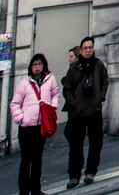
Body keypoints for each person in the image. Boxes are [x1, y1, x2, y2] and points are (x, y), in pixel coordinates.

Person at [62, 37, 109, 188]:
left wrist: (100, 96)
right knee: (76, 145)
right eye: (85, 48)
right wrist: (74, 104)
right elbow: (67, 89)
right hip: (79, 112)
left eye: (90, 48)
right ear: (80, 50)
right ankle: (74, 175)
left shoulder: (98, 65)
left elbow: (105, 80)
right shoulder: (74, 68)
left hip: (94, 110)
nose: (88, 50)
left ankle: (91, 171)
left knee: (96, 142)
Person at [10, 52, 60, 195]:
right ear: (30, 67)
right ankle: (24, 191)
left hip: (41, 126)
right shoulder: (25, 83)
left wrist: (52, 106)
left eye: (39, 64)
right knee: (26, 160)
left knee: (38, 159)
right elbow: (15, 103)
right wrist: (21, 118)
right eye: (34, 64)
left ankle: (36, 189)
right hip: (26, 127)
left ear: (44, 65)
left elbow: (55, 94)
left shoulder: (50, 80)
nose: (37, 67)